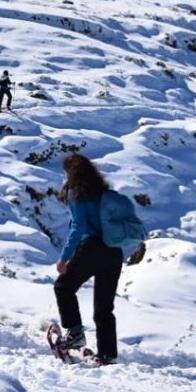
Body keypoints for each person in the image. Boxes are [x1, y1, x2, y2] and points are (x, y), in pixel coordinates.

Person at [52, 153, 125, 364]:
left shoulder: (78, 194)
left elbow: (78, 228)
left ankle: (75, 335)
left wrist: (64, 258)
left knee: (63, 287)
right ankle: (107, 355)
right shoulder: (105, 192)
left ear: (71, 173)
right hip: (114, 252)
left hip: (93, 247)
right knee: (104, 307)